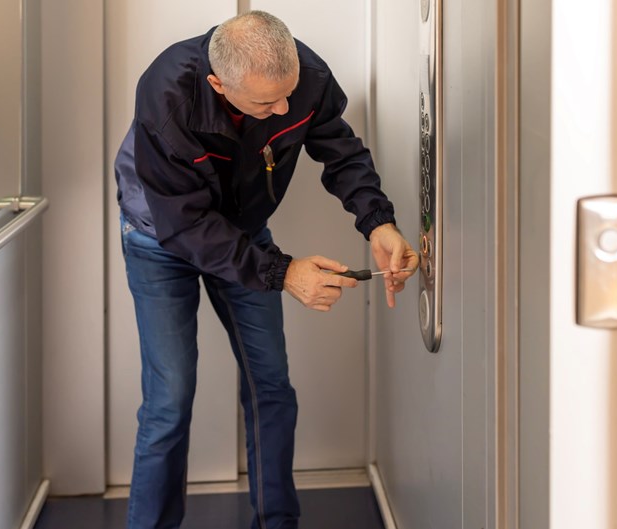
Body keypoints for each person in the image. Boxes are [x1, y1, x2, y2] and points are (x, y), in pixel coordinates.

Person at [114, 10, 418, 529]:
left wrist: (378, 224)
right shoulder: (165, 93)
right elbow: (186, 226)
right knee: (169, 399)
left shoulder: (306, 77)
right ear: (218, 84)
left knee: (271, 384)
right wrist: (284, 273)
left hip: (245, 231)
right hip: (160, 238)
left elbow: (341, 154)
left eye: (288, 95)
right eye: (265, 103)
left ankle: (277, 524)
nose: (282, 110)